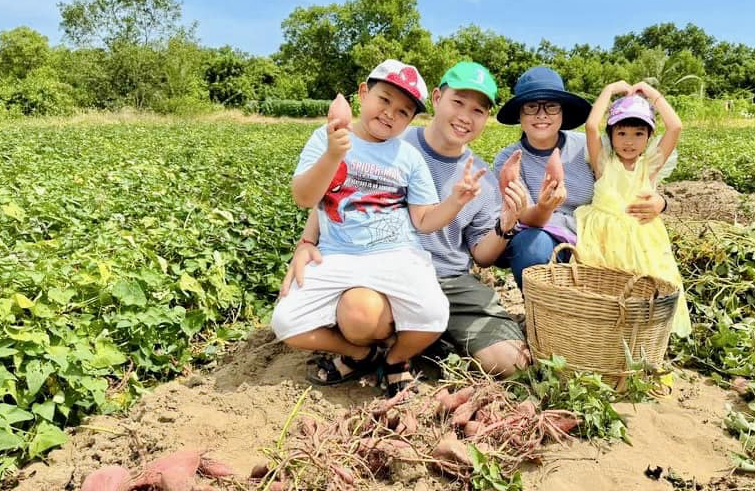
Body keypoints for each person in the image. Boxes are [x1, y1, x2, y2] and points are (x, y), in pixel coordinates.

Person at [278, 61, 532, 383]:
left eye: (478, 110)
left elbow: (481, 255)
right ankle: (379, 350)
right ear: (438, 99)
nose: (466, 116)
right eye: (458, 102)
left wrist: (507, 222)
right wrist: (307, 242)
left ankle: (411, 346)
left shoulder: (477, 175)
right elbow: (331, 197)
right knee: (359, 315)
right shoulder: (388, 139)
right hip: (370, 269)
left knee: (513, 364)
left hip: (444, 278)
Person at [492, 66, 666, 289]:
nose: (542, 114)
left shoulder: (586, 147)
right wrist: (545, 207)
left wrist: (660, 202)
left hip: (597, 237)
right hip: (545, 237)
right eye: (531, 107)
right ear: (519, 115)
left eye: (551, 106)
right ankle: (547, 315)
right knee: (531, 246)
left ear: (562, 112)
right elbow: (524, 216)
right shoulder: (509, 159)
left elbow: (627, 177)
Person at [575, 80, 691, 336]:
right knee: (606, 287)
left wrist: (650, 93)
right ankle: (606, 334)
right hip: (602, 238)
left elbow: (675, 126)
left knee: (644, 286)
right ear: (611, 135)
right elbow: (592, 125)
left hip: (641, 239)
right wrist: (609, 90)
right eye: (622, 133)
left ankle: (642, 334)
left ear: (649, 137)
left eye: (639, 133)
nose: (629, 142)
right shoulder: (603, 163)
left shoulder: (648, 168)